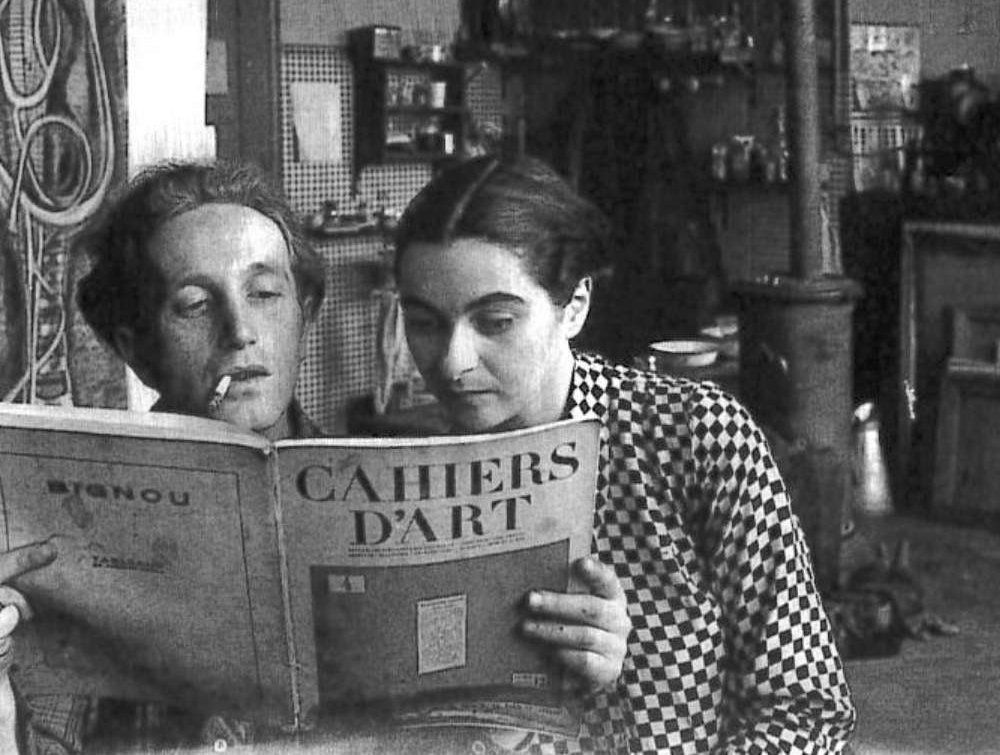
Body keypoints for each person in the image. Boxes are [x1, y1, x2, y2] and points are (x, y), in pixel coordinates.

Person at [0, 158, 626, 754]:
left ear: (305, 315)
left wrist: (573, 672)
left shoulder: (408, 496)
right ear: (136, 348)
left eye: (264, 293)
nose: (239, 331)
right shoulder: (59, 517)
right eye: (194, 305)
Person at [392, 153, 857, 753]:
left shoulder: (693, 436)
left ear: (575, 306)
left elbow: (807, 710)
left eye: (496, 321)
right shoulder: (399, 480)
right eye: (425, 324)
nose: (453, 363)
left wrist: (629, 671)